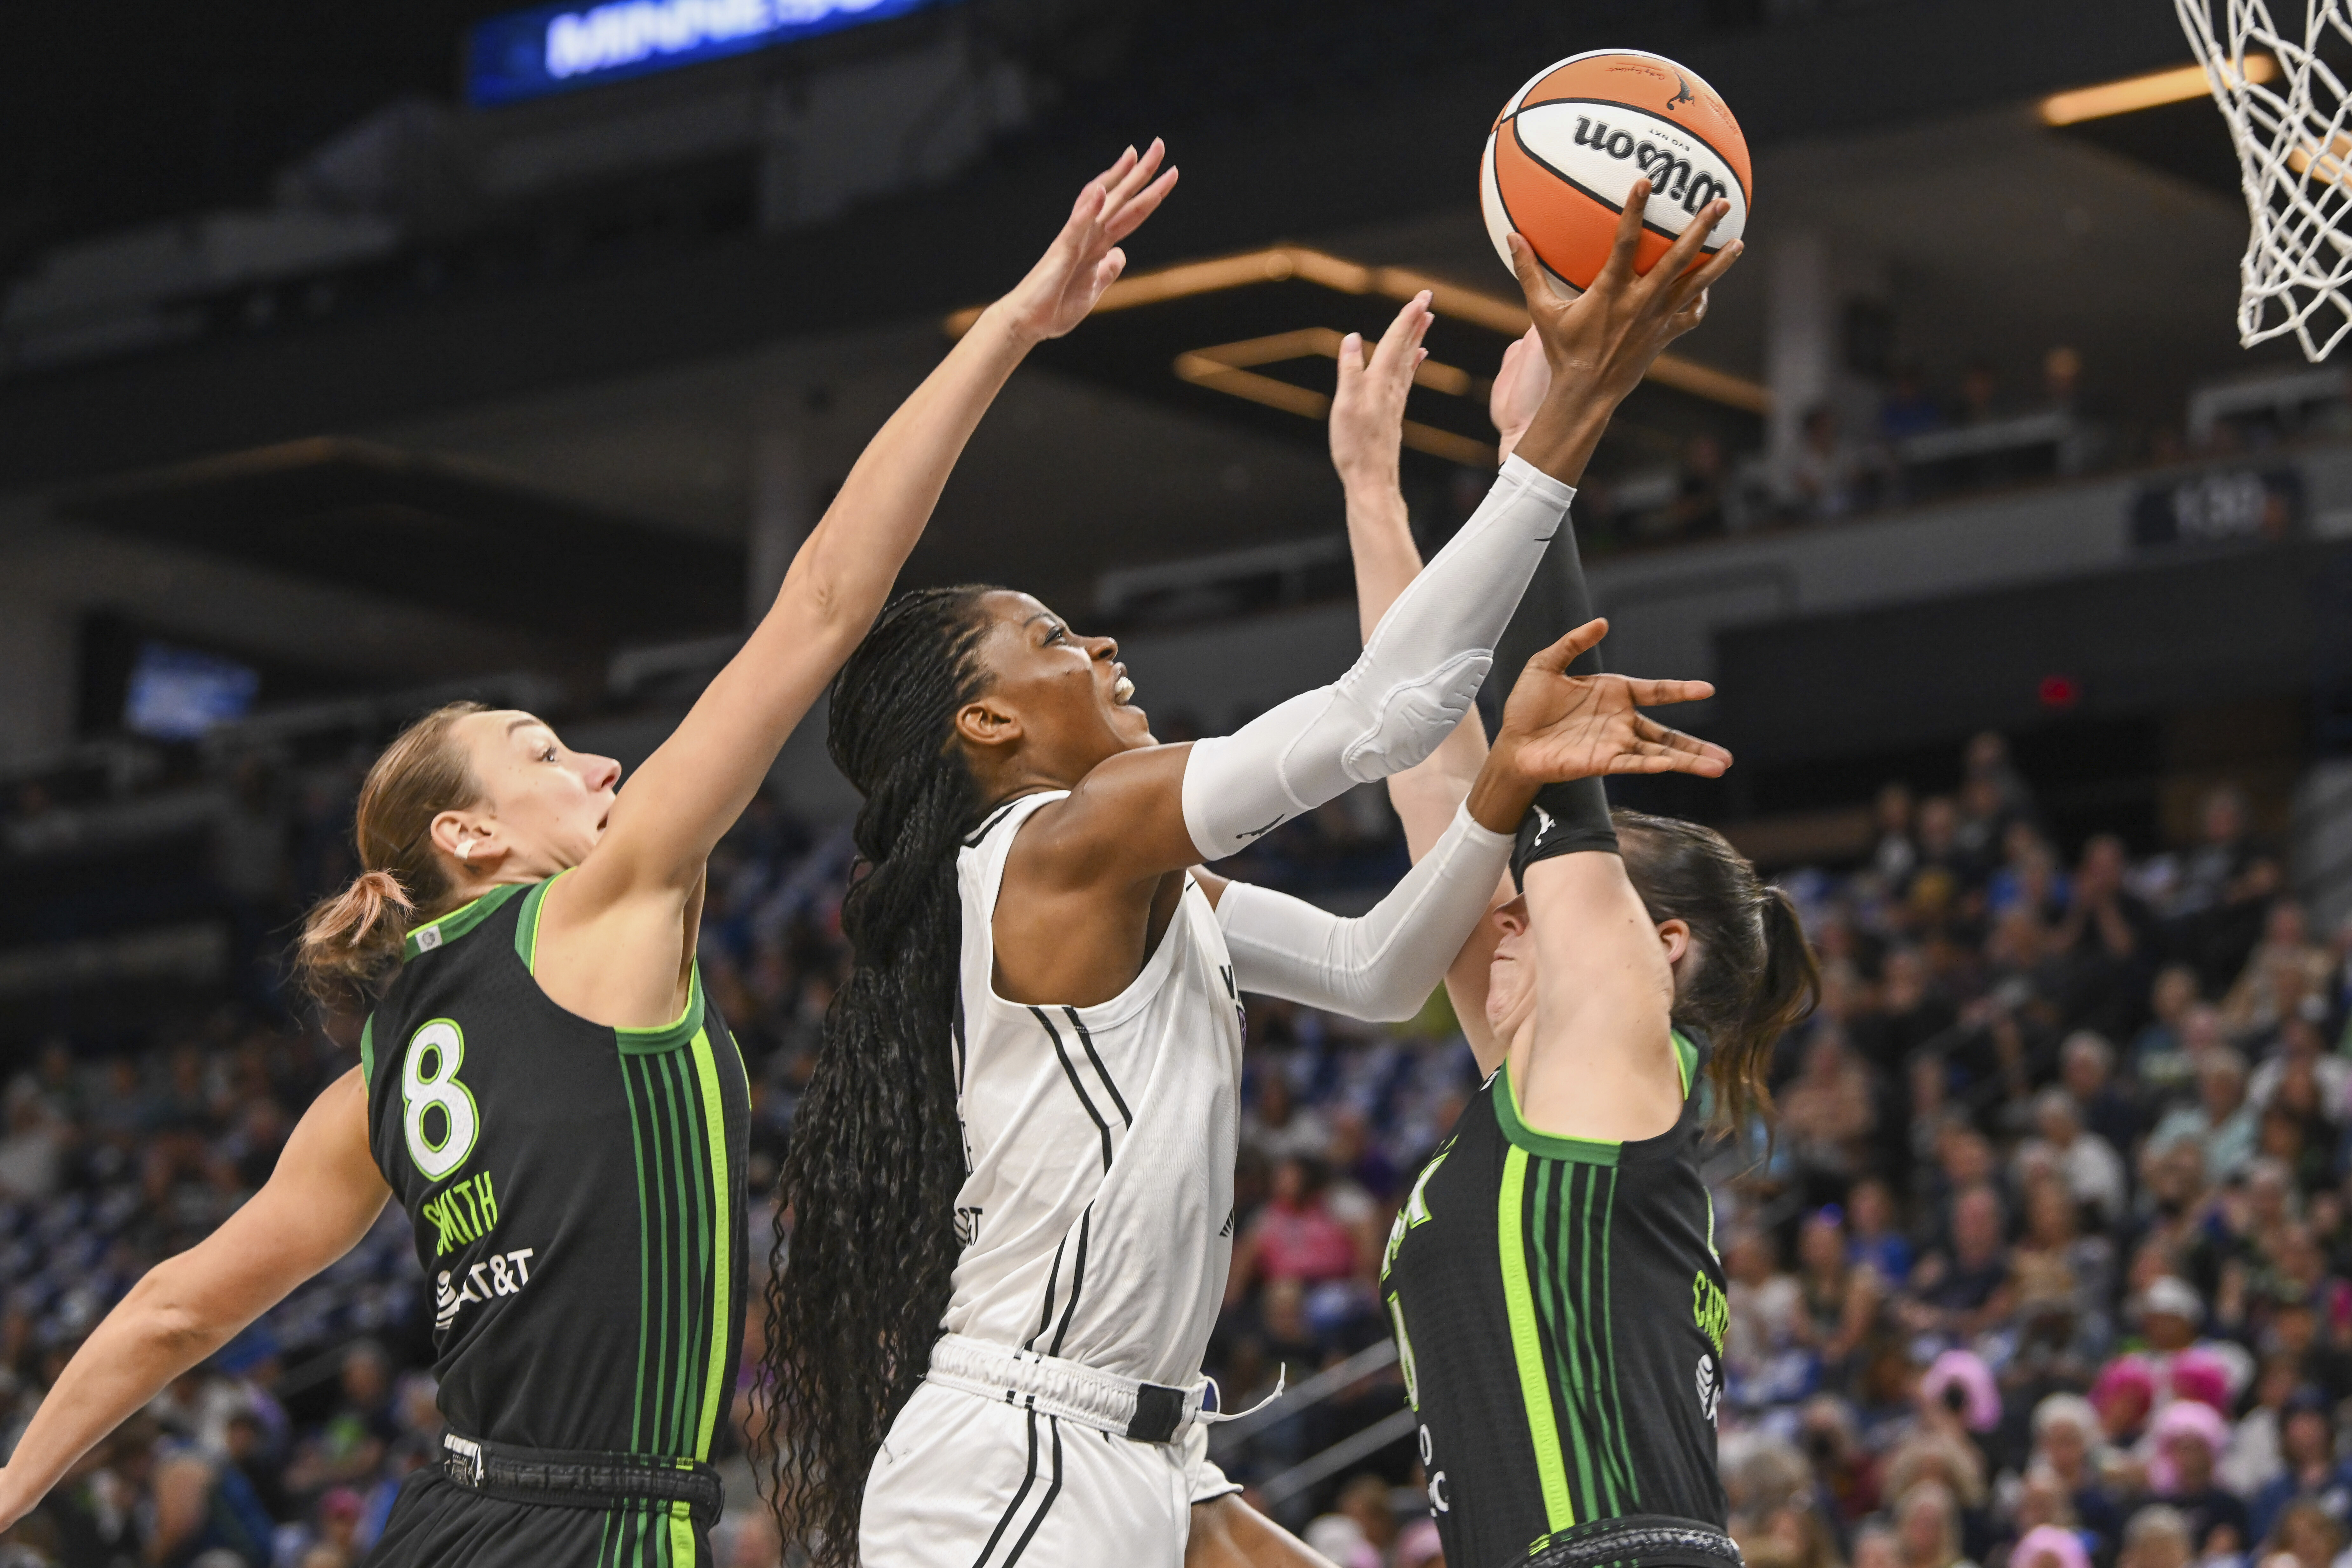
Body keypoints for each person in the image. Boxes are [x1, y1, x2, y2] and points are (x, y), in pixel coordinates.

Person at [0, 144, 1183, 1565]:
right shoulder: (599, 909)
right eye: (546, 754)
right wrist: (1009, 326)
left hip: (445, 1520)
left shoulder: (377, 1074)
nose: (605, 768)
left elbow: (173, 1311)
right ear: (471, 835)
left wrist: (7, 1493)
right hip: (595, 1528)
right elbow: (823, 603)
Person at [766, 185, 1743, 1568]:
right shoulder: (1061, 842)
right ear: (983, 724)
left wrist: (1498, 797)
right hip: (1023, 1448)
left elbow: (1378, 971)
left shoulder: (1143, 891)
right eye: (1051, 641)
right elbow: (1374, 716)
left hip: (1150, 1449)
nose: (1100, 646)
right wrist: (1560, 431)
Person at [1345, 204, 1806, 1568]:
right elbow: (1434, 770)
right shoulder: (1554, 1094)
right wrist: (1372, 495)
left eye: (1537, 897)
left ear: (1654, 946)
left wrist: (1540, 439)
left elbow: (1552, 763)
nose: (1497, 909)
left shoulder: (1616, 1057)